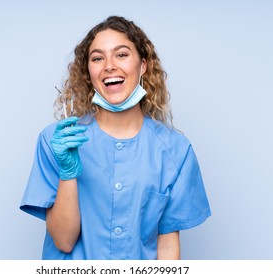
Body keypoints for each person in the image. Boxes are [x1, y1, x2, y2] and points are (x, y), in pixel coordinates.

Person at [20, 16, 211, 260]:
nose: (109, 65)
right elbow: (64, 241)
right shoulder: (57, 141)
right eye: (98, 58)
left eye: (121, 54)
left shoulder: (175, 150)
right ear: (89, 73)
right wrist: (67, 174)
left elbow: (168, 247)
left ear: (142, 66)